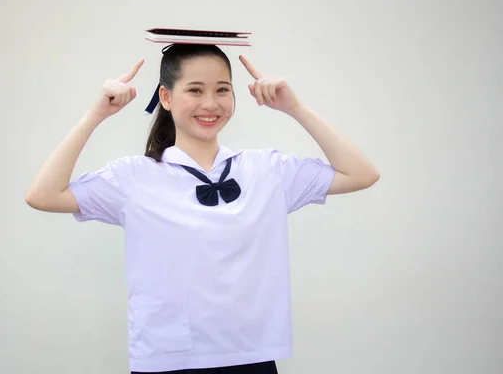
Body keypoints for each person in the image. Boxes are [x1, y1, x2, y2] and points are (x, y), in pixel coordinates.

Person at [25, 43, 379, 373]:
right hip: (167, 359)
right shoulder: (133, 178)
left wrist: (294, 108)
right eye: (195, 90)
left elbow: (362, 173)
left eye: (222, 90)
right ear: (166, 97)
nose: (211, 103)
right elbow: (43, 195)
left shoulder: (267, 170)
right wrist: (95, 114)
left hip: (252, 355)